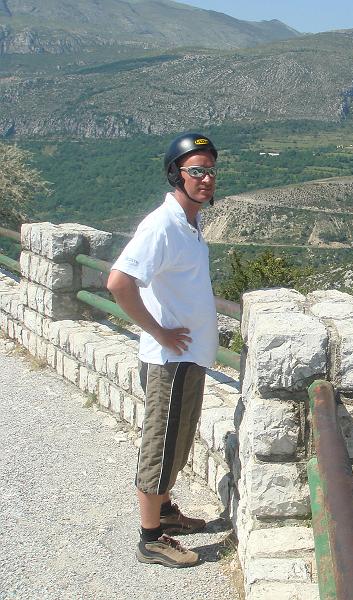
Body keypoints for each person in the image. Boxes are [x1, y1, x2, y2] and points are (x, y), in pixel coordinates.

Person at [107, 133, 220, 568]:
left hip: (188, 358)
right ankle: (150, 536)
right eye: (196, 171)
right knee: (161, 444)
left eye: (210, 170)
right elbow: (118, 283)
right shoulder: (161, 225)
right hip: (170, 361)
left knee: (177, 440)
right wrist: (159, 332)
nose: (205, 179)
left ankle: (167, 513)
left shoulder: (188, 222)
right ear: (176, 174)